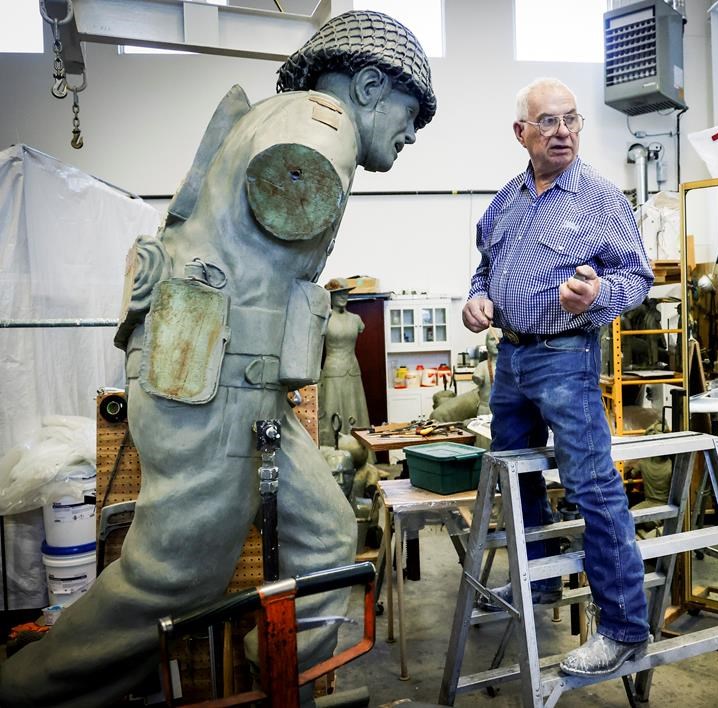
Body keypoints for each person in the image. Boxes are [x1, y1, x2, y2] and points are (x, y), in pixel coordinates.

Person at [0, 11, 435, 707]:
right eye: (411, 114)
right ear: (369, 85)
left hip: (242, 384)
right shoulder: (321, 128)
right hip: (215, 381)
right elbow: (283, 196)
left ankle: (276, 678)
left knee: (326, 537)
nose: (412, 135)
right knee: (173, 579)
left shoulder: (273, 118)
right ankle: (25, 691)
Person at [462, 77, 654, 677]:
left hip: (566, 357)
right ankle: (540, 582)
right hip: (511, 359)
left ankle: (624, 628)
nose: (563, 131)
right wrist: (476, 299)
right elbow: (484, 269)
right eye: (548, 121)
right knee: (515, 477)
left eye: (571, 119)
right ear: (521, 132)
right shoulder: (506, 201)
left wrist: (596, 296)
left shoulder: (600, 197)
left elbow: (637, 279)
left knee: (592, 485)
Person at [318, 279, 370, 446]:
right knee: (332, 411)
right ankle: (333, 451)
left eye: (345, 293)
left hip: (352, 369)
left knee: (356, 411)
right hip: (333, 370)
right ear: (330, 296)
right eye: (338, 294)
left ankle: (361, 452)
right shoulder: (325, 319)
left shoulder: (356, 319)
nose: (343, 297)